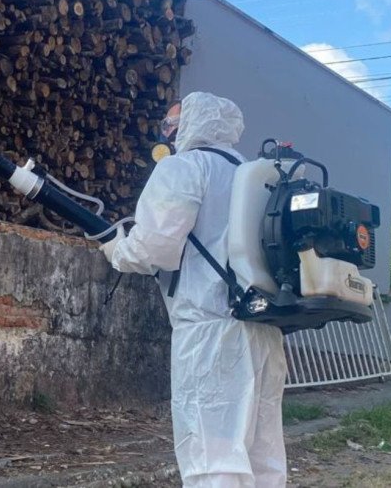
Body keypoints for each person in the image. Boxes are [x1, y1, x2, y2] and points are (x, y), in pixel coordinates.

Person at [100, 92, 287, 487]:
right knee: (262, 452)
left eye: (171, 124)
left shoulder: (184, 168)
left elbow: (154, 249)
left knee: (212, 450)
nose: (166, 132)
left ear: (191, 126)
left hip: (210, 330)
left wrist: (118, 250)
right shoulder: (256, 173)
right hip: (264, 326)